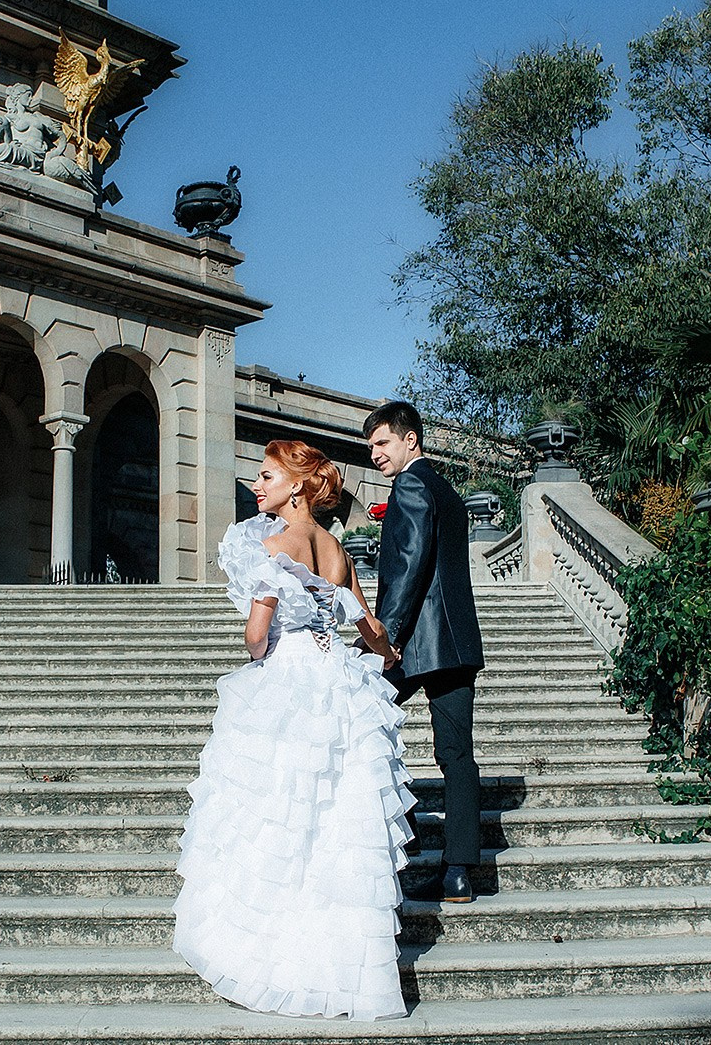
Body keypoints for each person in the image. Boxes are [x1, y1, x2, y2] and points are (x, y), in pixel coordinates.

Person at [173, 440, 413, 1021]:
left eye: (266, 477)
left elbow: (256, 638)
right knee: (337, 820)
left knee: (276, 814)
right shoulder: (335, 548)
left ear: (298, 486)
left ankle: (271, 958)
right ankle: (343, 968)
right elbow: (371, 627)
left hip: (289, 677)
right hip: (342, 681)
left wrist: (268, 631)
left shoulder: (271, 548)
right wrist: (386, 652)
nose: (258, 487)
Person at [365, 399, 485, 903]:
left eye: (382, 443)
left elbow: (411, 565)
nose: (374, 454)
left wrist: (384, 637)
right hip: (456, 643)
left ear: (410, 439)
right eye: (370, 446)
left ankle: (404, 834)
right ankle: (459, 872)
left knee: (358, 719)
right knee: (457, 757)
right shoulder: (447, 490)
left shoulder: (411, 484)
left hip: (416, 643)